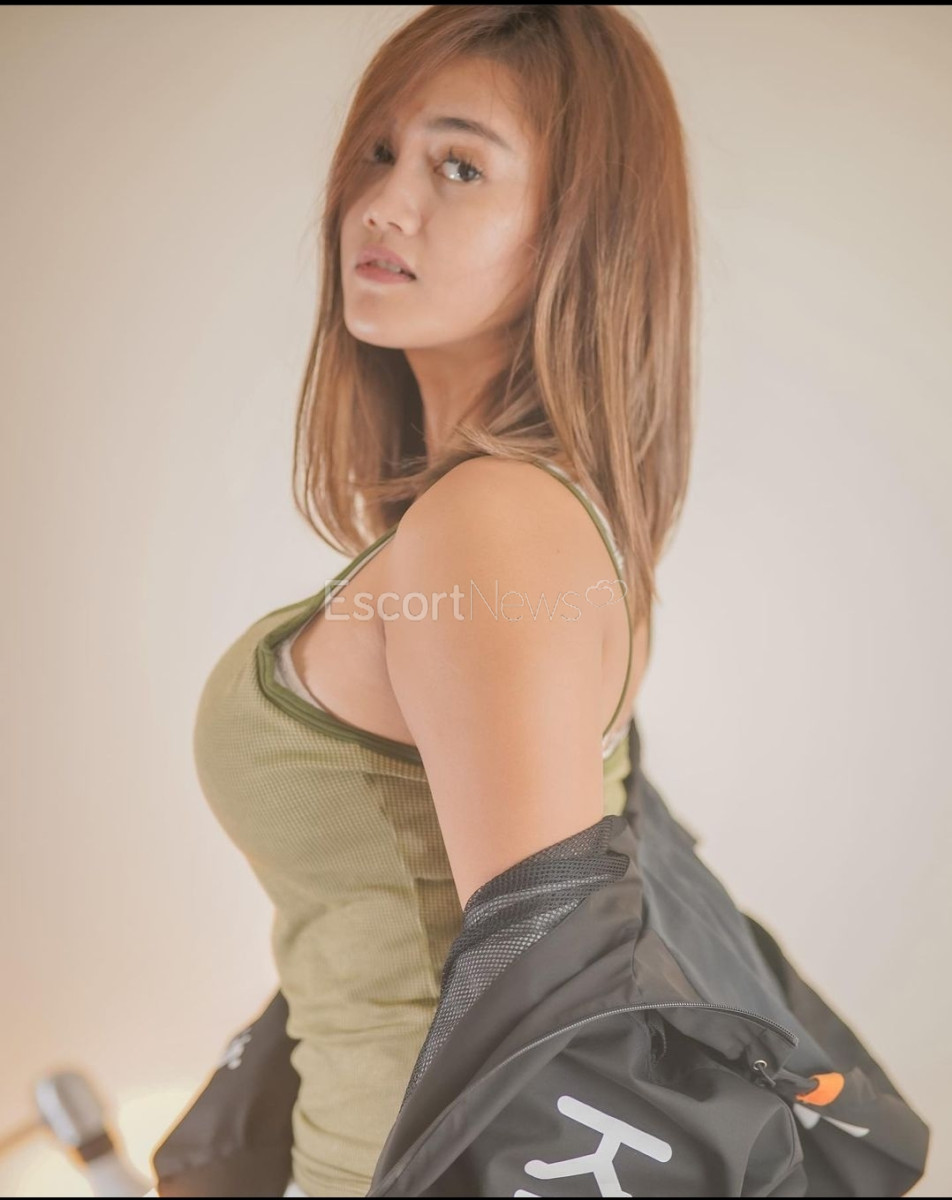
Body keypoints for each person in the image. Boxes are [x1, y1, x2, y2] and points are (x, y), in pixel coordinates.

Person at [191, 6, 693, 1196]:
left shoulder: (491, 525)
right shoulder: (501, 514)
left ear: (576, 233)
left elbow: (545, 1010)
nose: (383, 204)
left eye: (459, 167)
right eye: (379, 152)